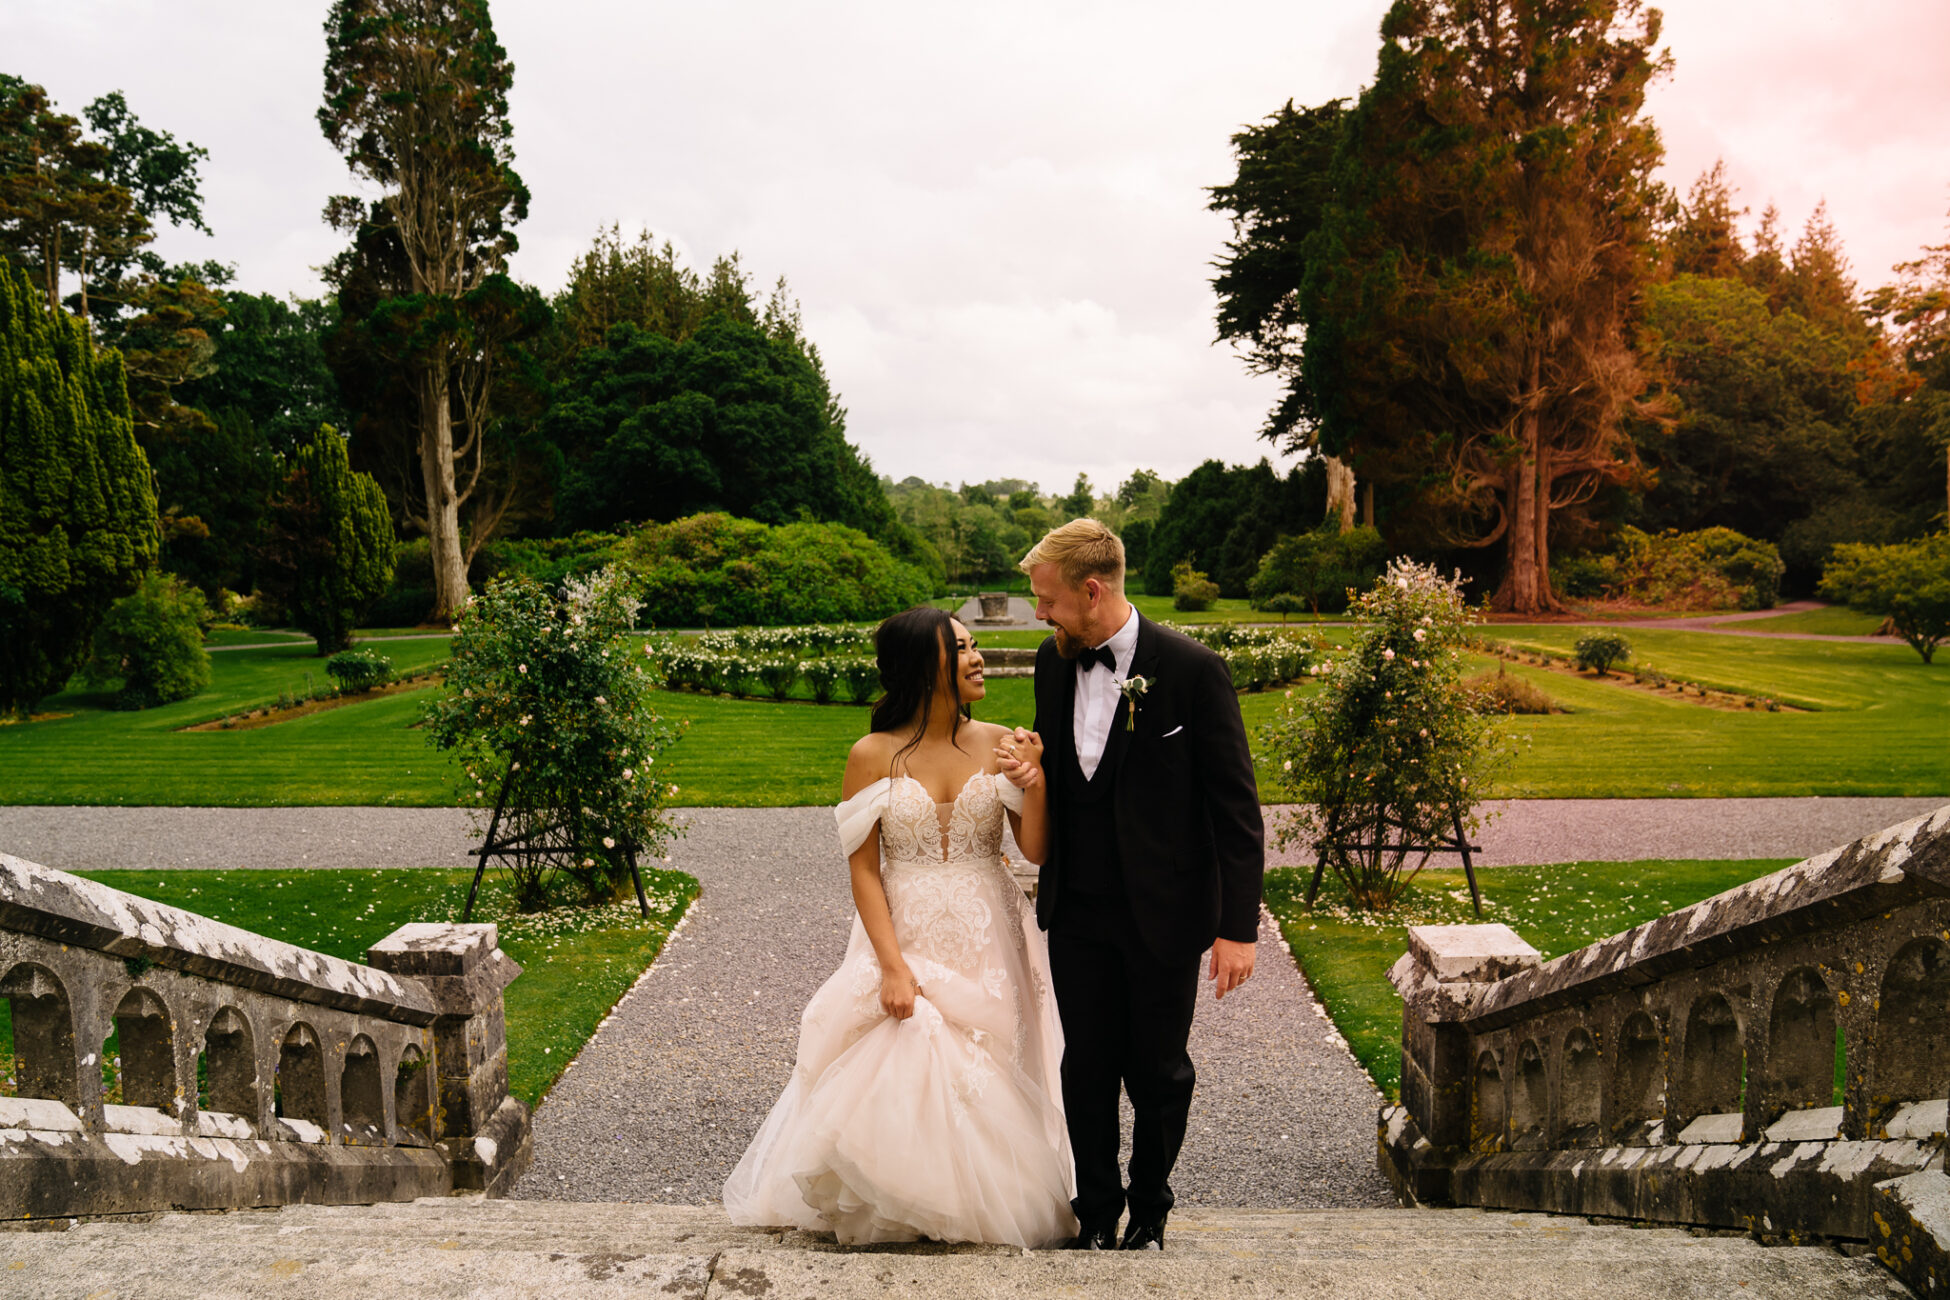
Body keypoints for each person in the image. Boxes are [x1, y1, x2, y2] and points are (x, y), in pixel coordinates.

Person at [723, 606, 1077, 1248]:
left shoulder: (1000, 742)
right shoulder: (871, 754)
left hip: (990, 926)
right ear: (924, 665)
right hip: (904, 925)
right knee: (910, 1043)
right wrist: (891, 964)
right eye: (960, 648)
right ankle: (901, 1200)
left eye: (974, 646)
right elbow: (863, 870)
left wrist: (1035, 779)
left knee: (990, 1060)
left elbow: (1036, 852)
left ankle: (986, 1198)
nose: (976, 658)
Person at [997, 518, 1263, 1252]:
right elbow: (1067, 774)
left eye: (1047, 600)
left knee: (1159, 1071)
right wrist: (1029, 766)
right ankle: (1095, 1213)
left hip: (1166, 913)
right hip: (1076, 906)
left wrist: (1238, 927)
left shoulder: (1191, 669)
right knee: (1084, 1068)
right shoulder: (1056, 665)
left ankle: (1150, 1206)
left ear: (1091, 589)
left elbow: (1235, 811)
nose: (1040, 614)